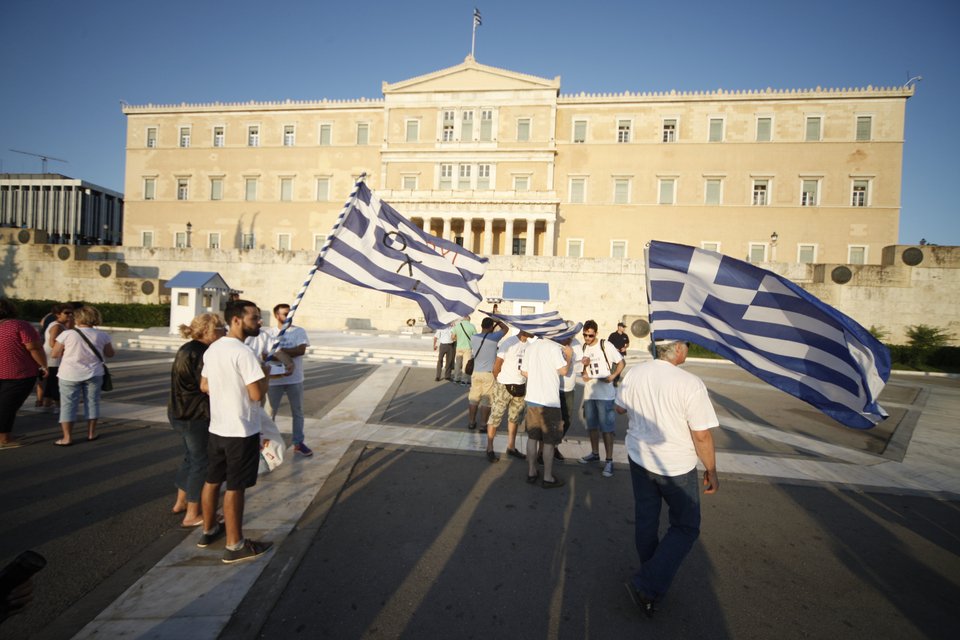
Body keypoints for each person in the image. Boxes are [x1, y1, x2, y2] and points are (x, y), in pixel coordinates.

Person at [617, 339, 719, 617]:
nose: (686, 348)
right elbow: (701, 434)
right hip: (676, 467)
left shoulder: (635, 373)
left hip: (639, 458)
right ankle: (649, 582)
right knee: (686, 526)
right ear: (677, 349)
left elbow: (619, 409)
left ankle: (650, 577)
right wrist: (711, 469)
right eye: (685, 344)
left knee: (647, 520)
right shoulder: (690, 383)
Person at [198, 299, 273, 564]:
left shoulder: (213, 349)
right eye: (255, 317)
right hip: (241, 430)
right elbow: (255, 395)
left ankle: (208, 530)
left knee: (212, 480)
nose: (259, 322)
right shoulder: (244, 353)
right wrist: (263, 374)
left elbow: (204, 385)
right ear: (237, 320)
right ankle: (235, 544)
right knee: (236, 487)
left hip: (217, 427)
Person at [168, 313, 226, 528]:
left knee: (190, 458)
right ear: (208, 331)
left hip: (179, 411)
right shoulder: (203, 353)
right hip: (195, 414)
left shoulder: (187, 349)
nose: (223, 332)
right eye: (220, 328)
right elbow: (206, 385)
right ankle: (192, 513)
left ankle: (181, 502)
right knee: (201, 461)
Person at [51, 305, 114, 445]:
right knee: (92, 403)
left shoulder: (67, 334)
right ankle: (91, 433)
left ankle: (67, 438)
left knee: (68, 405)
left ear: (77, 318)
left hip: (69, 374)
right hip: (94, 373)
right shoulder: (103, 335)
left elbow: (54, 354)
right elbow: (110, 354)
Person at [258, 303, 312, 457]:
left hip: (295, 380)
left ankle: (298, 442)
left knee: (298, 412)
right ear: (276, 315)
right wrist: (278, 353)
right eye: (284, 314)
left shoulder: (299, 331)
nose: (288, 316)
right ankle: (268, 444)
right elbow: (263, 355)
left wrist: (276, 351)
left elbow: (300, 350)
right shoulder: (269, 333)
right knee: (269, 414)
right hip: (274, 381)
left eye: (290, 313)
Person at [521, 337, 571, 488]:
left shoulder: (531, 347)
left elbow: (524, 372)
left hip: (532, 399)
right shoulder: (554, 347)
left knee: (532, 437)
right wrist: (568, 356)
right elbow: (563, 370)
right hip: (549, 401)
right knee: (549, 441)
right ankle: (548, 477)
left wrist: (538, 376)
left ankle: (531, 472)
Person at [578, 320, 625, 477]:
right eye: (585, 335)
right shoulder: (584, 347)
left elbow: (621, 362)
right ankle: (594, 453)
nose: (587, 338)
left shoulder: (606, 345)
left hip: (605, 395)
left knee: (607, 429)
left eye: (590, 335)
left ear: (596, 333)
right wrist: (584, 368)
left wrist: (612, 376)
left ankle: (609, 460)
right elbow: (584, 374)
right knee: (591, 427)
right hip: (590, 393)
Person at [0, 299, 48, 449]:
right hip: (18, 373)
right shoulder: (19, 325)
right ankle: (4, 439)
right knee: (8, 406)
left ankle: (5, 434)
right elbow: (34, 348)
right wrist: (43, 365)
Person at [485, 330, 531, 462]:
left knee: (515, 418)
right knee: (496, 417)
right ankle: (489, 448)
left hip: (520, 386)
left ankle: (511, 447)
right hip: (504, 385)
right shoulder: (509, 342)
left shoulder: (529, 346)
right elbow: (497, 364)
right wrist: (498, 382)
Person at [465, 317, 507, 431]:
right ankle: (483, 424)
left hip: (476, 372)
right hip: (488, 373)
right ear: (490, 327)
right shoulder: (494, 338)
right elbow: (506, 329)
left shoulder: (474, 338)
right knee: (486, 401)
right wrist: (497, 320)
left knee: (473, 399)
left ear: (482, 326)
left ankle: (471, 422)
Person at [42, 304, 74, 410]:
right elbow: (52, 343)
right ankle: (59, 405)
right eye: (66, 313)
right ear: (58, 314)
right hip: (54, 359)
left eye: (71, 312)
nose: (70, 315)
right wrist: (67, 350)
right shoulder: (57, 326)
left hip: (52, 358)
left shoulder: (60, 325)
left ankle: (47, 403)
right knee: (55, 383)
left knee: (51, 383)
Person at [452, 315, 477, 385]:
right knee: (465, 364)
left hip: (459, 347)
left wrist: (458, 339)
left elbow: (453, 337)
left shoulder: (457, 326)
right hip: (467, 348)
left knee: (457, 363)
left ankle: (456, 378)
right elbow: (475, 337)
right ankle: (464, 380)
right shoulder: (472, 326)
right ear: (469, 320)